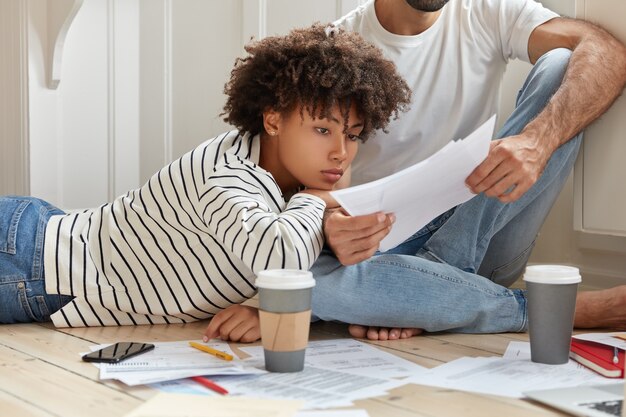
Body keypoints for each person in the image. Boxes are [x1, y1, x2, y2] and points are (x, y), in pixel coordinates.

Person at [0, 24, 411, 343]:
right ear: (273, 119)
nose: (341, 152)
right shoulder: (226, 174)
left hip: (40, 257)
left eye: (353, 135)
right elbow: (281, 260)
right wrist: (319, 199)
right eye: (323, 130)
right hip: (29, 261)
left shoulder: (281, 178)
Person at [309, 0, 626, 340]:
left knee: (564, 65)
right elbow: (297, 181)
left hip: (480, 231)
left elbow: (606, 53)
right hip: (383, 250)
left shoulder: (486, 11)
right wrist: (328, 223)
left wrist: (537, 142)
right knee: (307, 281)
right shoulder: (334, 46)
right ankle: (550, 308)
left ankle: (426, 290)